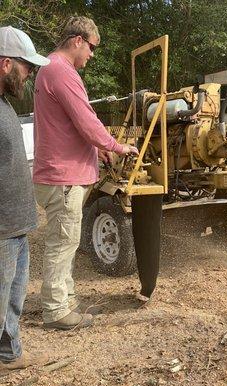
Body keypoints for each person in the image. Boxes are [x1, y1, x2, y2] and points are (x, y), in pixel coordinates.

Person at [33, 16, 139, 331]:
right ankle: (55, 311)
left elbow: (66, 129)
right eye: (91, 48)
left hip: (59, 174)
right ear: (78, 40)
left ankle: (67, 301)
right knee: (62, 244)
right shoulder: (61, 71)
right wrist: (118, 147)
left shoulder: (49, 69)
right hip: (63, 178)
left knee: (66, 241)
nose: (92, 55)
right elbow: (86, 122)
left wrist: (97, 150)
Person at [0, 26, 49, 373]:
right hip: (1, 228)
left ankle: (8, 354)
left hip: (17, 225)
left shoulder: (4, 105)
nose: (29, 73)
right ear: (5, 64)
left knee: (13, 302)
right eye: (25, 66)